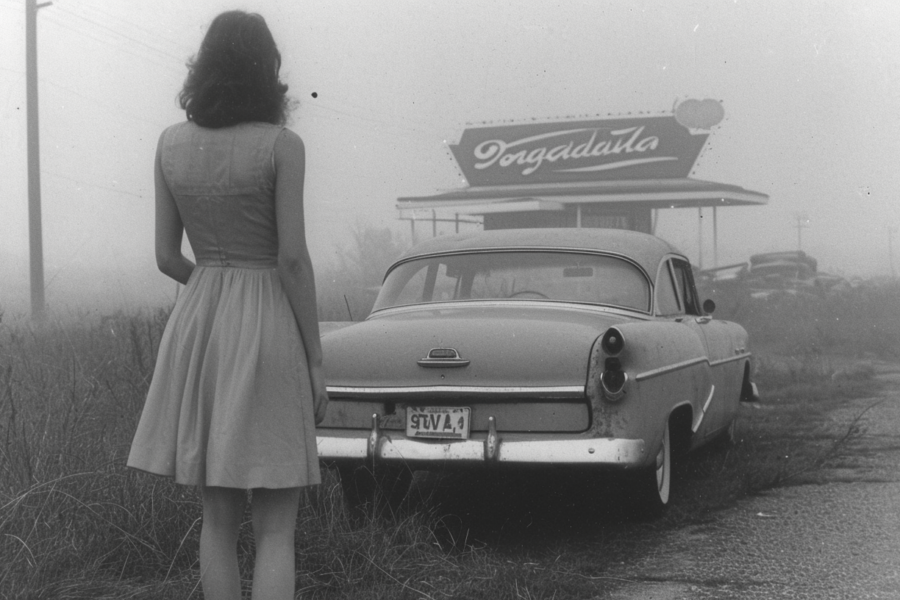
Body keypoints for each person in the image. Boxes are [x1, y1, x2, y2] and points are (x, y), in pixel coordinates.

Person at [127, 11, 327, 600]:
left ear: (205, 66)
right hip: (268, 327)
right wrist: (316, 359)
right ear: (268, 71)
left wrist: (215, 287)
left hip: (201, 324)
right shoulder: (283, 147)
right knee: (275, 529)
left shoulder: (170, 144)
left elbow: (167, 258)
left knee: (217, 521)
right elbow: (292, 260)